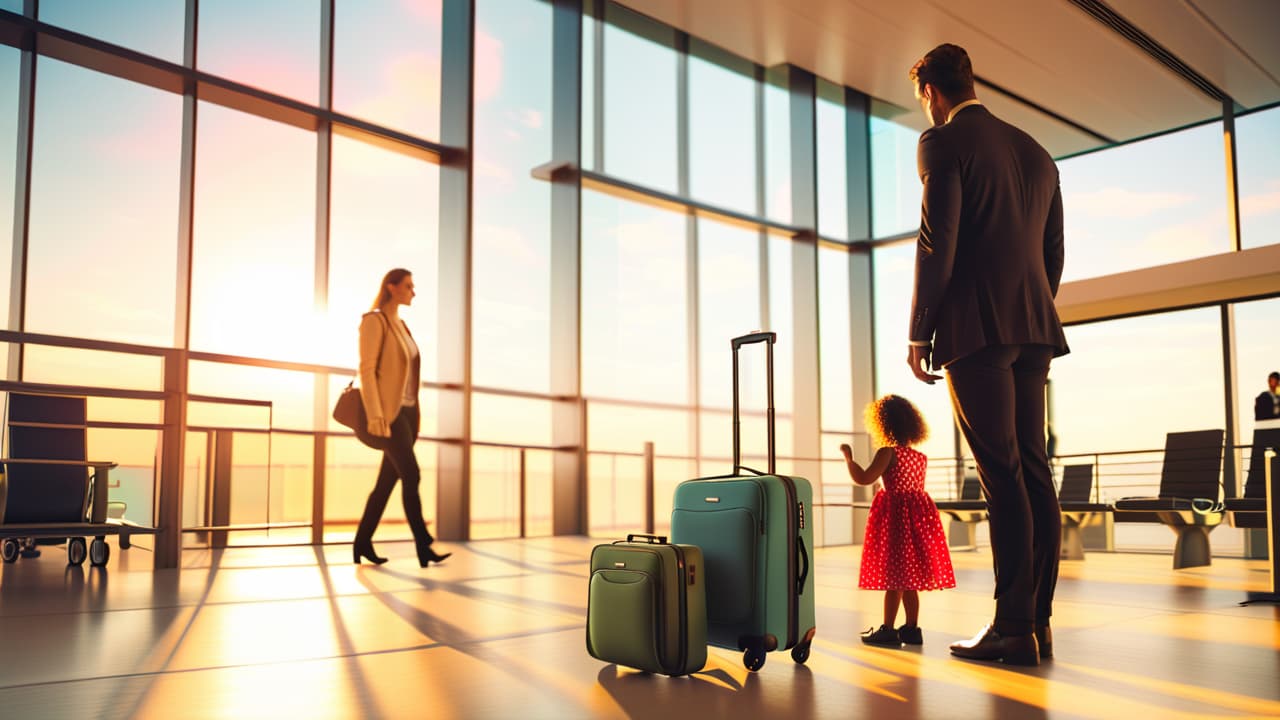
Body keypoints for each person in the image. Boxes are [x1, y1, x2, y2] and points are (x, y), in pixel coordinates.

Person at [905, 44, 1069, 666]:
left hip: (976, 328)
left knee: (999, 475)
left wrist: (921, 329)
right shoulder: (1037, 152)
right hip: (1034, 326)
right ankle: (1038, 622)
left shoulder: (941, 143)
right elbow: (1053, 254)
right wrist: (1029, 309)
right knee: (1033, 471)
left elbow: (935, 239)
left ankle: (1011, 627)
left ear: (931, 92)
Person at [353, 268, 451, 567]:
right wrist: (375, 414)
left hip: (409, 414)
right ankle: (423, 543)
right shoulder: (374, 321)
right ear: (392, 287)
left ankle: (361, 542)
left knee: (386, 483)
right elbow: (367, 370)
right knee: (412, 474)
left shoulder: (402, 326)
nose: (413, 291)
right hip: (389, 415)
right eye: (409, 286)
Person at [841, 395, 955, 648]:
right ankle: (912, 629)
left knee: (894, 578)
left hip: (895, 520)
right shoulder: (919, 457)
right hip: (917, 520)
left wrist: (849, 460)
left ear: (883, 424)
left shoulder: (887, 453)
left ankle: (888, 629)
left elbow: (864, 478)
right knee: (909, 578)